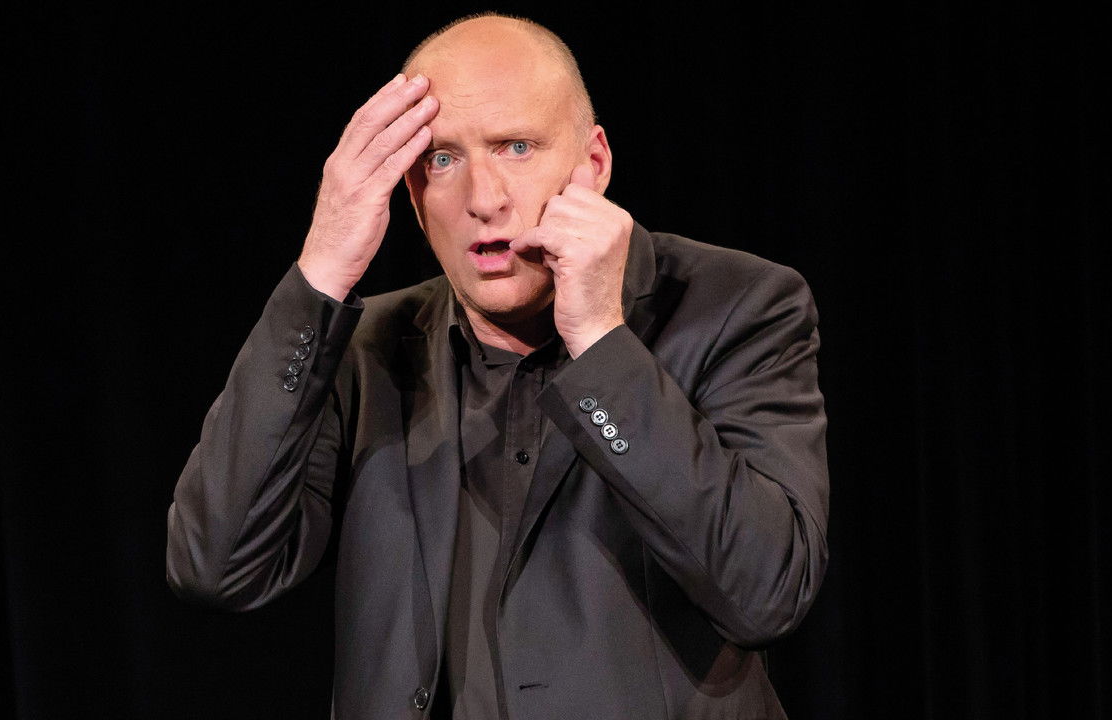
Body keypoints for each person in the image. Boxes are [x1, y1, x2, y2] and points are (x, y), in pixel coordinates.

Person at [166, 13, 828, 720]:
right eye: (441, 160)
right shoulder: (366, 350)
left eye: (516, 147)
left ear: (593, 163)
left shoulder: (735, 306)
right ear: (412, 194)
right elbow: (217, 567)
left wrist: (600, 341)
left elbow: (766, 593)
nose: (483, 199)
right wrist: (321, 272)